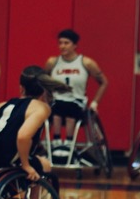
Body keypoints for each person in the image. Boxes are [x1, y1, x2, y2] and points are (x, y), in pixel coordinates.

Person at [45, 28, 108, 156]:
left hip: (76, 101)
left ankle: (68, 143)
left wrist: (95, 103)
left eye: (66, 43)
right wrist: (46, 99)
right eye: (60, 43)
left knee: (69, 108)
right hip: (57, 101)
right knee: (56, 108)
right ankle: (56, 141)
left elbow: (104, 82)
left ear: (75, 45)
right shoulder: (52, 62)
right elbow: (43, 82)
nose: (62, 46)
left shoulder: (86, 63)